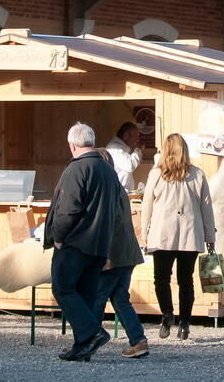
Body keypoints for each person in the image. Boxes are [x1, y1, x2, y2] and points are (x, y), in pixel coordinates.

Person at [43, 123, 122, 362]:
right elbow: (117, 209)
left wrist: (58, 238)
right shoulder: (108, 170)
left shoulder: (77, 168)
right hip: (100, 243)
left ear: (72, 144)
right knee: (86, 294)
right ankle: (82, 348)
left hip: (76, 241)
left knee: (63, 287)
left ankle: (92, 333)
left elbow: (68, 209)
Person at [140, 133, 216, 341]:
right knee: (186, 280)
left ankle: (167, 314)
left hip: (162, 233)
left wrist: (143, 231)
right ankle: (185, 323)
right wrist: (210, 234)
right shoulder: (197, 175)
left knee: (161, 279)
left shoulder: (156, 175)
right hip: (190, 234)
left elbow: (146, 205)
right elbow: (206, 207)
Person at [93, 148, 149, 358]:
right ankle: (138, 340)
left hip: (115, 253)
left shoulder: (105, 188)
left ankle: (88, 339)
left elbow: (111, 223)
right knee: (119, 298)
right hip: (128, 251)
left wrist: (106, 254)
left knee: (98, 297)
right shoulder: (117, 186)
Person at [106, 122, 143, 193]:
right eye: (136, 136)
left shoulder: (121, 148)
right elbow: (130, 166)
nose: (137, 140)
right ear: (126, 135)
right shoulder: (115, 149)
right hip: (118, 194)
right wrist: (138, 150)